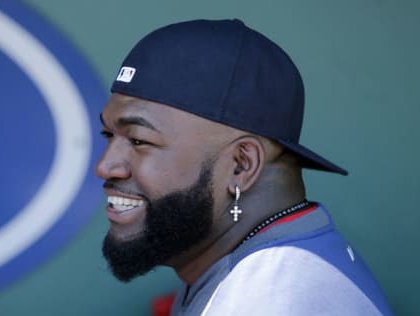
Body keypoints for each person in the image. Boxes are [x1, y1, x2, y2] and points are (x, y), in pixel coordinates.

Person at [96, 19, 393, 315]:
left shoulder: (265, 301)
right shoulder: (264, 265)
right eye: (108, 135)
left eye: (138, 140)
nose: (105, 166)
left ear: (241, 165)